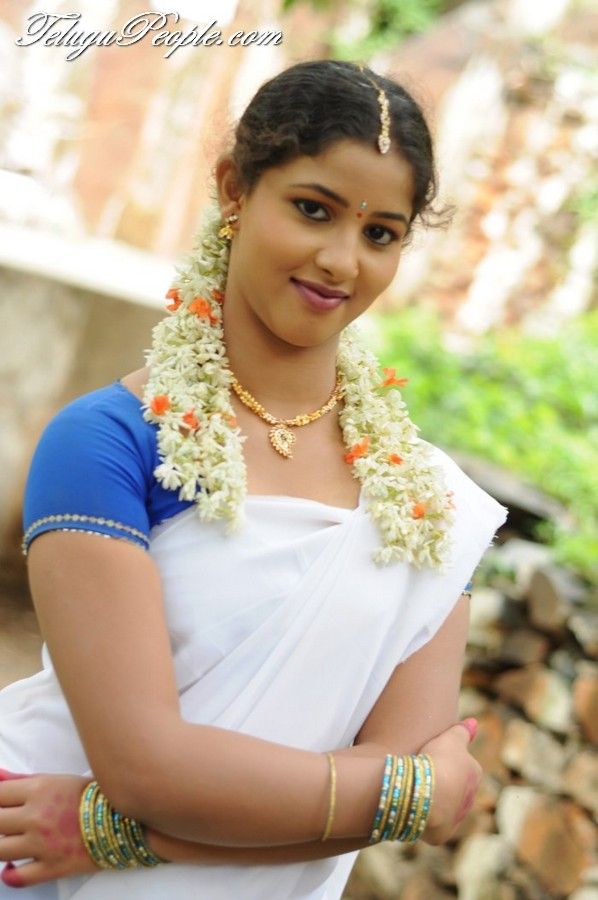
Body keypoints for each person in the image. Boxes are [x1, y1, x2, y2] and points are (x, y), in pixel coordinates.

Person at [0, 59, 506, 898]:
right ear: (235, 189)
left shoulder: (425, 502)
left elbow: (394, 785)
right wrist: (412, 793)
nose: (341, 260)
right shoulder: (108, 444)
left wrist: (109, 832)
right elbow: (146, 767)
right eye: (314, 209)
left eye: (381, 233)